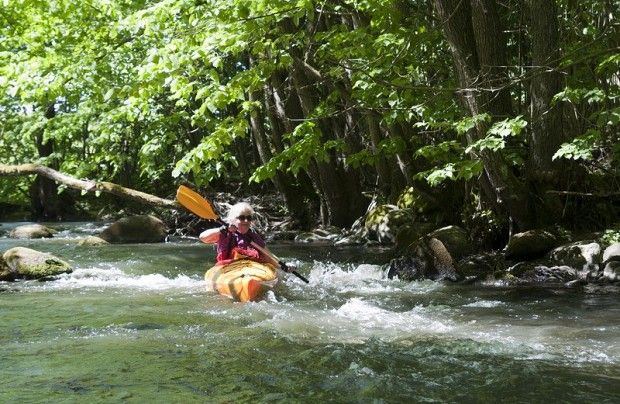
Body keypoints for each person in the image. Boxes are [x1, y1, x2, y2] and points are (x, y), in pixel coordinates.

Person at [199, 202, 266, 264]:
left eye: (249, 218)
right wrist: (222, 229)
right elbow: (203, 238)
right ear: (233, 220)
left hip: (251, 267)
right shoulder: (224, 234)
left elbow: (267, 256)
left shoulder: (254, 237)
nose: (246, 221)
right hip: (228, 268)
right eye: (241, 217)